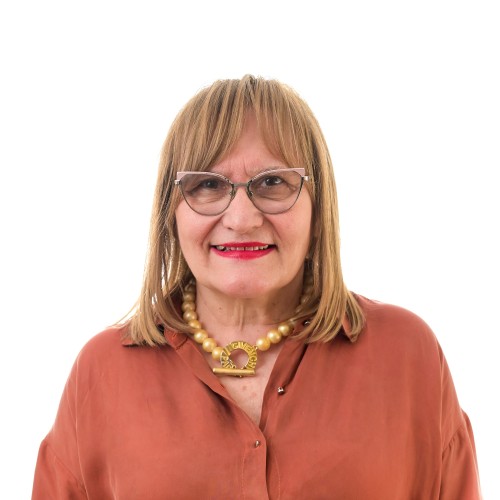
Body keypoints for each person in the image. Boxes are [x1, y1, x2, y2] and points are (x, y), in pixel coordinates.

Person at [32, 75, 481, 499]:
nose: (242, 219)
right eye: (208, 185)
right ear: (171, 212)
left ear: (318, 206)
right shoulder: (102, 372)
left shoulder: (406, 354)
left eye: (272, 182)